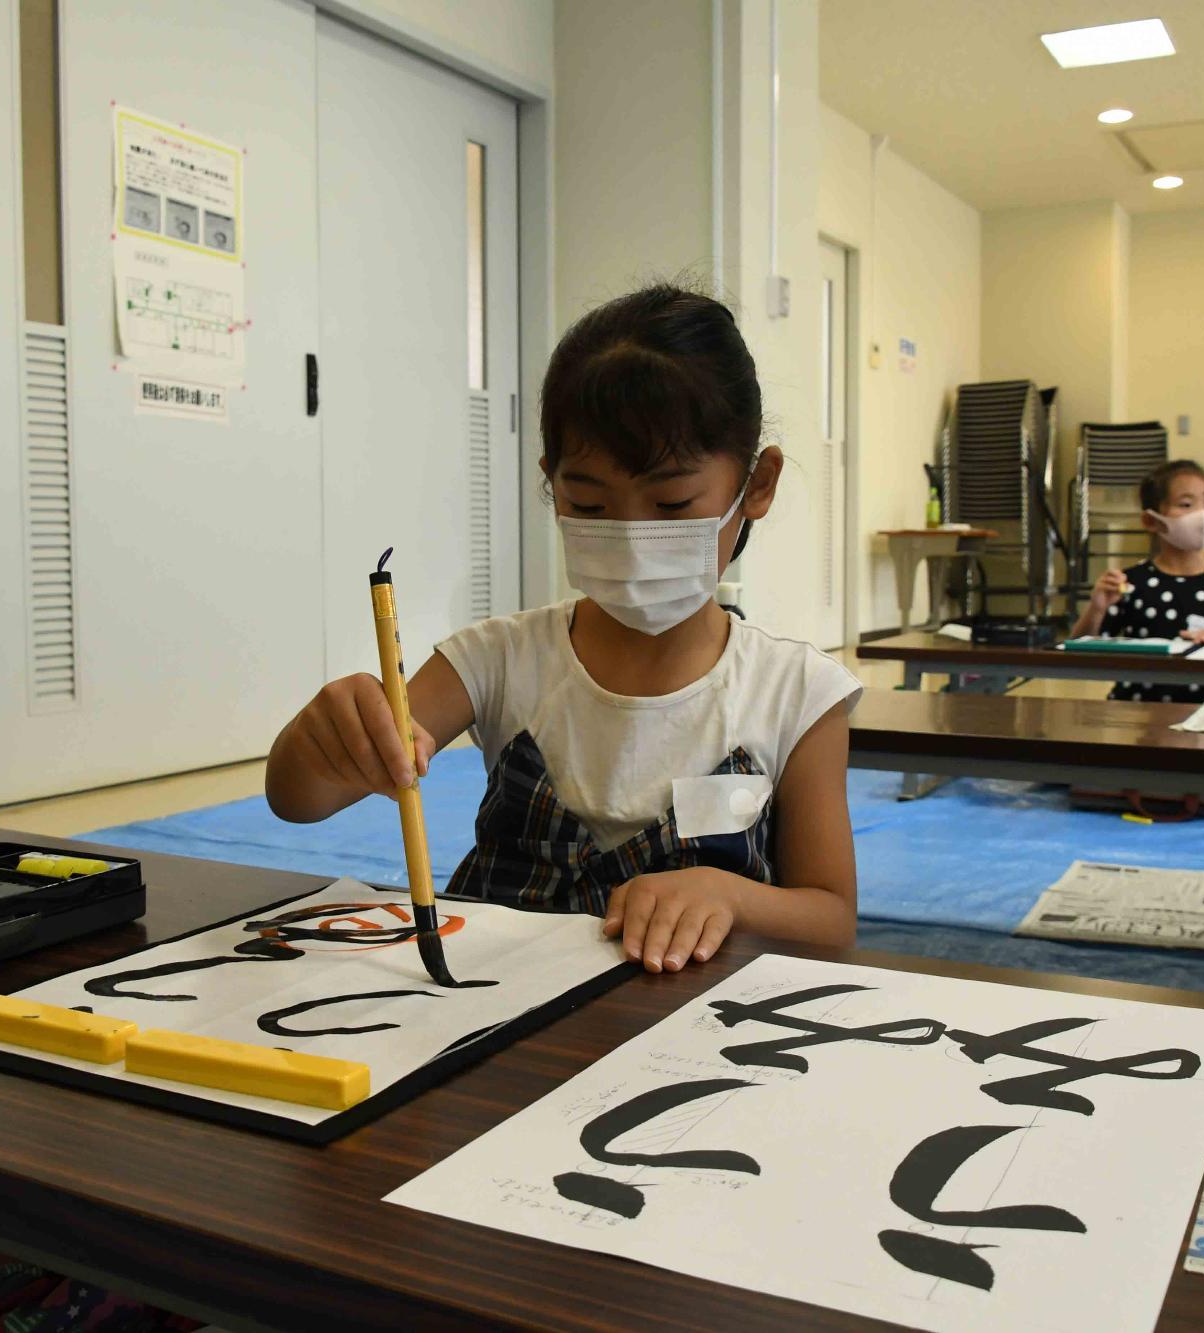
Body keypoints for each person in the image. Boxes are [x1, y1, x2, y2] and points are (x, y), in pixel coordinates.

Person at [267, 284, 862, 973]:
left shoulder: (796, 692)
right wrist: (321, 744)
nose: (634, 537)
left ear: (757, 484)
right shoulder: (495, 659)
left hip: (684, 1026)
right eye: (589, 503)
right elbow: (297, 799)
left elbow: (831, 918)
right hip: (502, 1011)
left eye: (671, 504)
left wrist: (730, 895)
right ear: (552, 483)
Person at [1068, 458, 1204, 704]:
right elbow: (1077, 653)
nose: (1203, 514)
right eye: (1186, 504)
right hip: (1137, 716)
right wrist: (1097, 608)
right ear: (1151, 520)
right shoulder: (1130, 584)